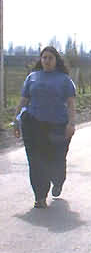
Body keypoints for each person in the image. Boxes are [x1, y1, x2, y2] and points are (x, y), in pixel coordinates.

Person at [13, 46, 76, 208]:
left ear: (56, 60)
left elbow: (71, 103)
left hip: (57, 126)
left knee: (56, 159)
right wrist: (16, 121)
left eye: (50, 58)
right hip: (34, 125)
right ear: (41, 60)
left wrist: (71, 123)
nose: (47, 61)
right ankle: (40, 197)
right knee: (36, 161)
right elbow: (23, 100)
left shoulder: (64, 80)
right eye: (44, 58)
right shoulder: (32, 77)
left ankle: (58, 181)